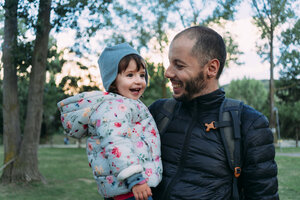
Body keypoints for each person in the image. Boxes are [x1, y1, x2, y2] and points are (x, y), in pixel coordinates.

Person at [149, 26, 279, 199]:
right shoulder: (159, 112)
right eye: (170, 63)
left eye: (178, 65)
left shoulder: (249, 124)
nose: (168, 73)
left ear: (211, 68)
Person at [57, 43, 162, 200]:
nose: (139, 81)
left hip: (129, 187)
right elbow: (116, 141)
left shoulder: (128, 104)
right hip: (130, 187)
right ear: (113, 81)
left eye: (142, 75)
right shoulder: (113, 107)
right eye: (130, 75)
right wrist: (135, 179)